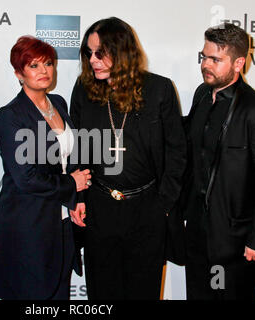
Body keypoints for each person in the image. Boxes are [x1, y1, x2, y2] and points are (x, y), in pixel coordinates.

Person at [69, 17, 187, 300]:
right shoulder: (85, 89)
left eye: (101, 52)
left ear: (122, 51)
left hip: (147, 210)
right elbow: (75, 147)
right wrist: (79, 199)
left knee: (143, 291)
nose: (93, 60)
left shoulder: (159, 89)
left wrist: (163, 204)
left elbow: (177, 150)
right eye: (89, 52)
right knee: (102, 293)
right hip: (99, 208)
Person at [182, 23, 255, 300]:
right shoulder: (202, 95)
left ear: (239, 63)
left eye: (216, 59)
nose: (206, 65)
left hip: (234, 242)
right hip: (197, 232)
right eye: (204, 56)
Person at [0, 36, 90, 300]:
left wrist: (75, 199)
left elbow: (70, 159)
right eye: (33, 66)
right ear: (18, 73)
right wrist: (73, 184)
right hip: (28, 225)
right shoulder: (9, 116)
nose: (44, 71)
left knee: (59, 295)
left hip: (61, 223)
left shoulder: (58, 103)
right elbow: (26, 179)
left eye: (48, 63)